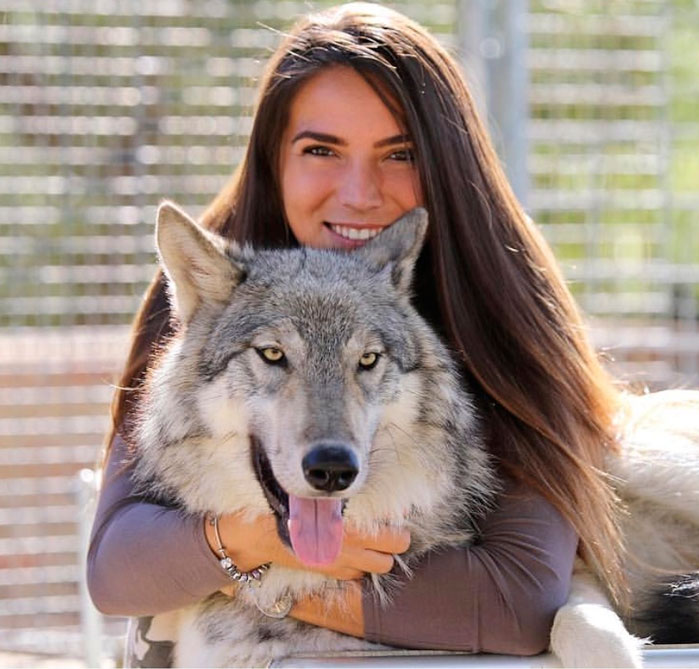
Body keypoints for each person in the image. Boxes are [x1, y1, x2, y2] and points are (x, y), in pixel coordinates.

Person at [88, 1, 625, 663]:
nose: (359, 192)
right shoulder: (212, 289)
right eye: (322, 150)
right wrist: (257, 544)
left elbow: (519, 601)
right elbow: (115, 568)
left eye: (398, 154)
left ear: (446, 163)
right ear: (273, 159)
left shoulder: (510, 308)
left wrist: (253, 578)